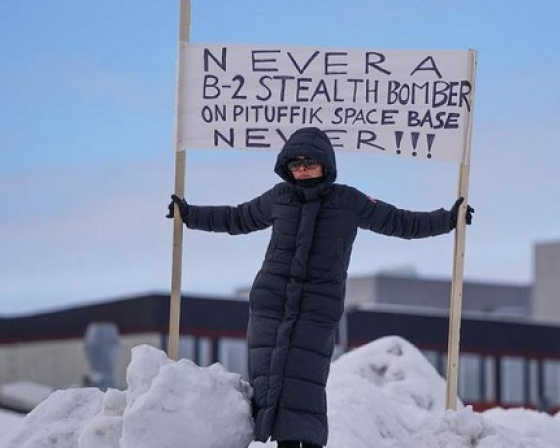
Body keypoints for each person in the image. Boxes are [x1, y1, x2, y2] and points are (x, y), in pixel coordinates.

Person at [166, 127, 473, 448]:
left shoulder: (348, 201)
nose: (302, 169)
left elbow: (400, 221)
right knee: (268, 382)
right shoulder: (278, 197)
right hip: (271, 304)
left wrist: (448, 219)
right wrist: (187, 214)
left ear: (326, 163)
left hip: (316, 307)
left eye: (309, 163)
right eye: (295, 164)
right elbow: (236, 218)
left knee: (305, 384)